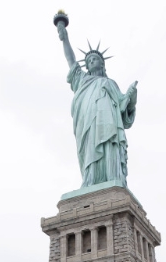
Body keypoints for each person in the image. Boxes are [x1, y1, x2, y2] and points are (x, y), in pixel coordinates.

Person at [56, 20, 138, 188]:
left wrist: (132, 98)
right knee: (90, 153)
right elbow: (71, 61)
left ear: (102, 63)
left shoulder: (110, 84)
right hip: (87, 126)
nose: (91, 61)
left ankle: (112, 179)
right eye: (88, 60)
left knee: (109, 149)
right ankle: (91, 181)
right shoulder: (82, 80)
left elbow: (125, 112)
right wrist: (65, 39)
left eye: (95, 59)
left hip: (108, 127)